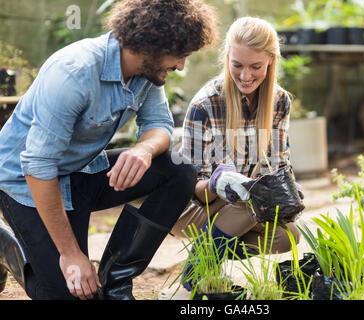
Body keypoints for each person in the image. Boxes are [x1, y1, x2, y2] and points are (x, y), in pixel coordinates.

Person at [0, 0, 217, 300]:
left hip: (82, 172)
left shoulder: (148, 70)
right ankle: (6, 247)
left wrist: (143, 149)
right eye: (179, 55)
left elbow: (159, 125)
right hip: (26, 184)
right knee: (72, 293)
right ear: (151, 45)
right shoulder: (74, 73)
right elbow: (38, 167)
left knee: (179, 169)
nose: (181, 65)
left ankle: (116, 279)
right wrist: (72, 255)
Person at [170, 16, 303, 292]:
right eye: (237, 65)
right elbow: (192, 189)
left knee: (288, 236)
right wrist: (222, 182)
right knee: (248, 202)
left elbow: (277, 164)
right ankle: (200, 267)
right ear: (227, 57)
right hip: (194, 207)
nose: (245, 76)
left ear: (270, 61)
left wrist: (287, 191)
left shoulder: (279, 102)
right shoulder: (205, 105)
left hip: (239, 210)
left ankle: (216, 243)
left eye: (256, 67)